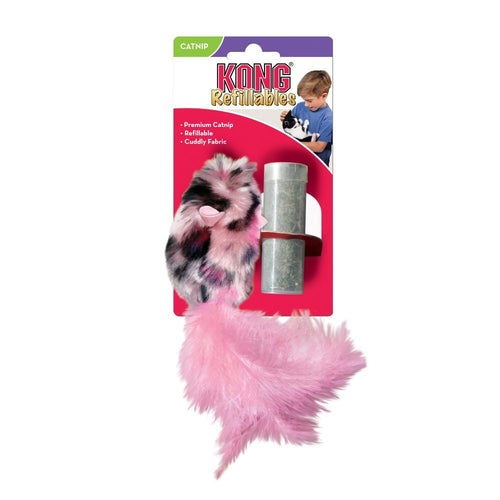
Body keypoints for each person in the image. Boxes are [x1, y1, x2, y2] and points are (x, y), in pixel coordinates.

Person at [280, 70, 332, 166]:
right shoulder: (299, 107)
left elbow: (319, 147)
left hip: (317, 166)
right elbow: (290, 130)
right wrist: (285, 119)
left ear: (324, 96)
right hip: (297, 162)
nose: (306, 104)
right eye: (304, 100)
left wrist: (292, 144)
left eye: (309, 100)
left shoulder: (328, 117)